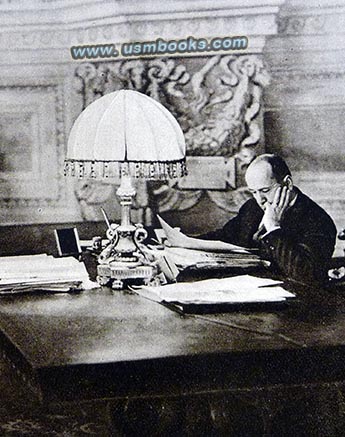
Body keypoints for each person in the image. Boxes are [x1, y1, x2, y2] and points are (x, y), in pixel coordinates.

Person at [162, 154, 337, 285]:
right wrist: (185, 241)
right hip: (249, 293)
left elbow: (306, 275)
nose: (259, 199)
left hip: (296, 310)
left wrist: (274, 228)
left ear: (288, 184)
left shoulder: (318, 220)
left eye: (265, 190)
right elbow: (225, 236)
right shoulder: (252, 207)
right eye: (253, 191)